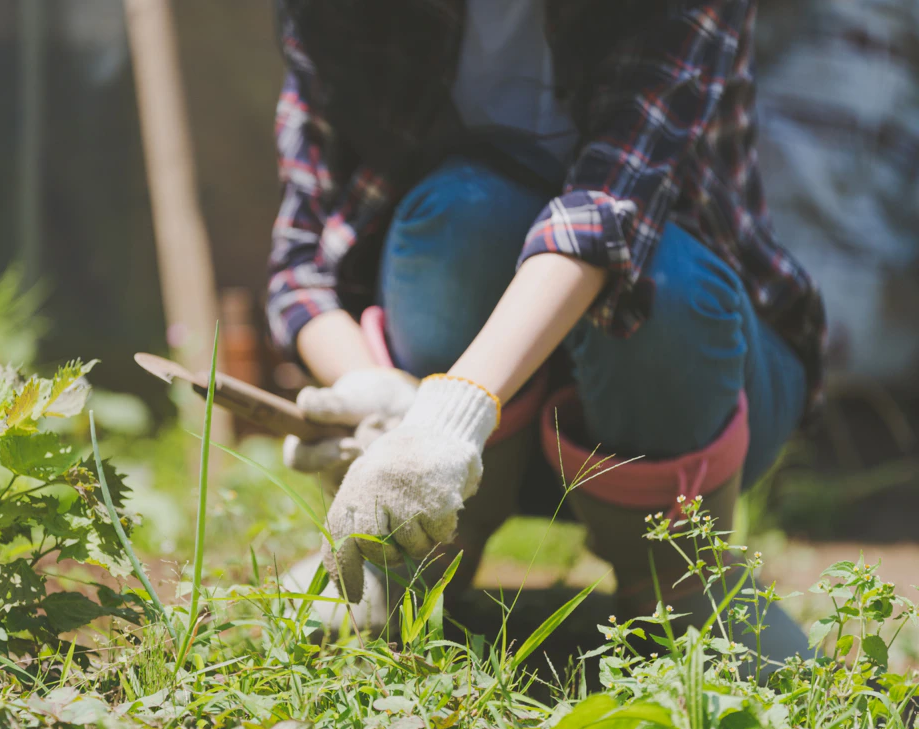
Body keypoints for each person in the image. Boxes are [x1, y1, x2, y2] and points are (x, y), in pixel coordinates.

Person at [266, 0, 825, 664]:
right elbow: (301, 264)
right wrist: (378, 392)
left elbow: (604, 216)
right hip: (472, 422)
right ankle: (418, 555)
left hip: (692, 378)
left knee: (662, 283)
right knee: (462, 212)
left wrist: (451, 413)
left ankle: (683, 584)